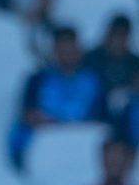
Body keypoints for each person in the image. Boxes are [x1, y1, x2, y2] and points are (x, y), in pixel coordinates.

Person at [9, 27, 107, 168]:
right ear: (54, 50)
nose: (67, 54)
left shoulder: (94, 80)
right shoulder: (37, 79)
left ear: (79, 50)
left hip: (83, 139)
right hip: (46, 136)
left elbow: (102, 118)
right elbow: (28, 114)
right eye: (62, 49)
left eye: (70, 49)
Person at [84, 15, 138, 112]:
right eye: (116, 34)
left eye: (123, 35)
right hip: (94, 112)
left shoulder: (135, 63)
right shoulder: (90, 58)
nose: (118, 40)